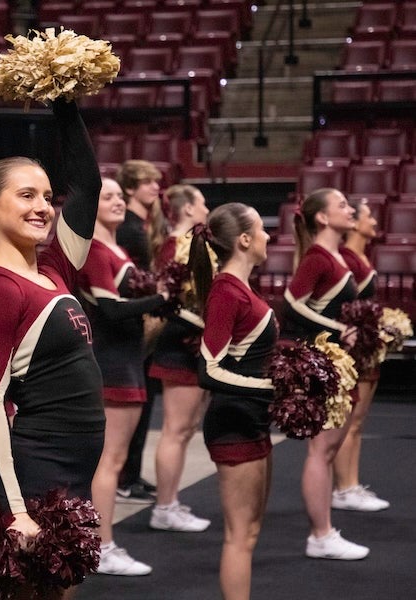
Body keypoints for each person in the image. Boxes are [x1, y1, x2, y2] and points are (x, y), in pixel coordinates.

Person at [0, 98, 104, 600]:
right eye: (26, 195)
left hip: (74, 465)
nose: (43, 207)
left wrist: (65, 105)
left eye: (47, 196)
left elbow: (86, 185)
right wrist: (13, 508)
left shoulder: (53, 269)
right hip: (35, 468)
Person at [78, 176, 167, 576]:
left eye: (118, 196)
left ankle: (100, 542)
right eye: (106, 196)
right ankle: (100, 545)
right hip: (111, 359)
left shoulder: (116, 247)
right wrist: (162, 300)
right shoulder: (95, 250)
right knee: (109, 462)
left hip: (128, 357)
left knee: (112, 460)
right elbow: (111, 310)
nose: (116, 202)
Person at [192, 202, 276, 600]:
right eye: (262, 229)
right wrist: (272, 388)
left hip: (251, 418)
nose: (268, 236)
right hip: (232, 423)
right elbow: (208, 369)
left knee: (252, 532)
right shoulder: (226, 291)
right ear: (244, 240)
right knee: (240, 535)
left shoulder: (241, 288)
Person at [281, 187, 369, 560]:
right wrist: (334, 330)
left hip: (337, 361)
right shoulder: (318, 257)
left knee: (328, 450)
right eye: (343, 205)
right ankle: (320, 535)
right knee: (321, 450)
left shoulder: (333, 255)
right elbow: (289, 304)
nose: (350, 210)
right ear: (321, 217)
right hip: (324, 362)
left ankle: (325, 531)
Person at [148, 184, 212, 532]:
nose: (206, 208)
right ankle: (163, 507)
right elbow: (167, 301)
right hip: (179, 343)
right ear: (187, 208)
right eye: (202, 203)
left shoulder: (194, 244)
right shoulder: (173, 246)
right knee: (175, 429)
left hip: (194, 343)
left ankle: (171, 501)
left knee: (187, 429)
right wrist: (203, 326)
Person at [333, 198, 389, 512]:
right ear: (354, 223)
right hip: (355, 348)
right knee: (351, 422)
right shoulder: (347, 260)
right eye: (369, 216)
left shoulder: (358, 257)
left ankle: (352, 484)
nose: (374, 222)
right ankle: (343, 488)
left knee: (359, 422)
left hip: (367, 347)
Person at [115, 159, 163, 502]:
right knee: (133, 402)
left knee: (144, 402)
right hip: (132, 320)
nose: (155, 188)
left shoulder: (143, 225)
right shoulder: (128, 228)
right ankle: (123, 476)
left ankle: (131, 473)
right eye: (147, 182)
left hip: (142, 317)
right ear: (131, 187)